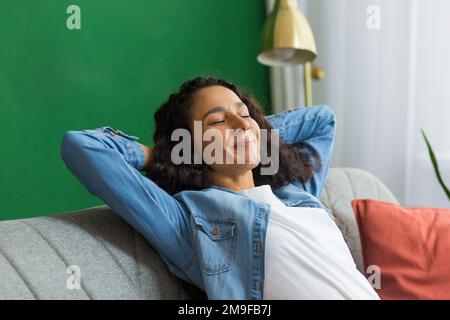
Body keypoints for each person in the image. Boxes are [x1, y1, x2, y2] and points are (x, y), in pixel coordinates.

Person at [60, 76, 379, 300]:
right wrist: (163, 154)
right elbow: (83, 147)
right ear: (189, 146)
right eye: (217, 121)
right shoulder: (191, 224)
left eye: (244, 112)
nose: (241, 123)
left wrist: (255, 129)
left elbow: (322, 120)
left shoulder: (296, 195)